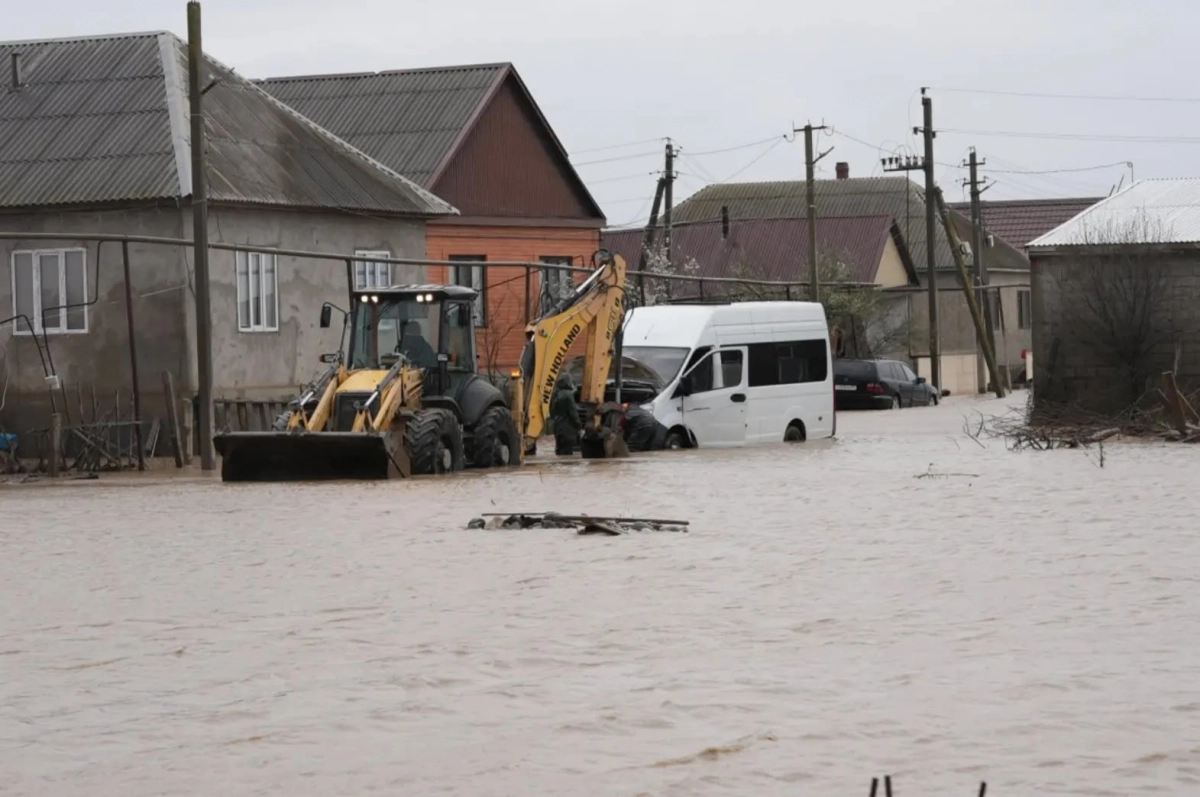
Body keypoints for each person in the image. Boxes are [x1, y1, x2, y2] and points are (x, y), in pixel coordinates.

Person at [549, 373, 582, 455]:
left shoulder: (555, 394)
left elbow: (551, 411)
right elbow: (573, 413)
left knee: (559, 450)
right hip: (567, 428)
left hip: (557, 427)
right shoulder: (569, 395)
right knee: (567, 453)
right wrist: (579, 426)